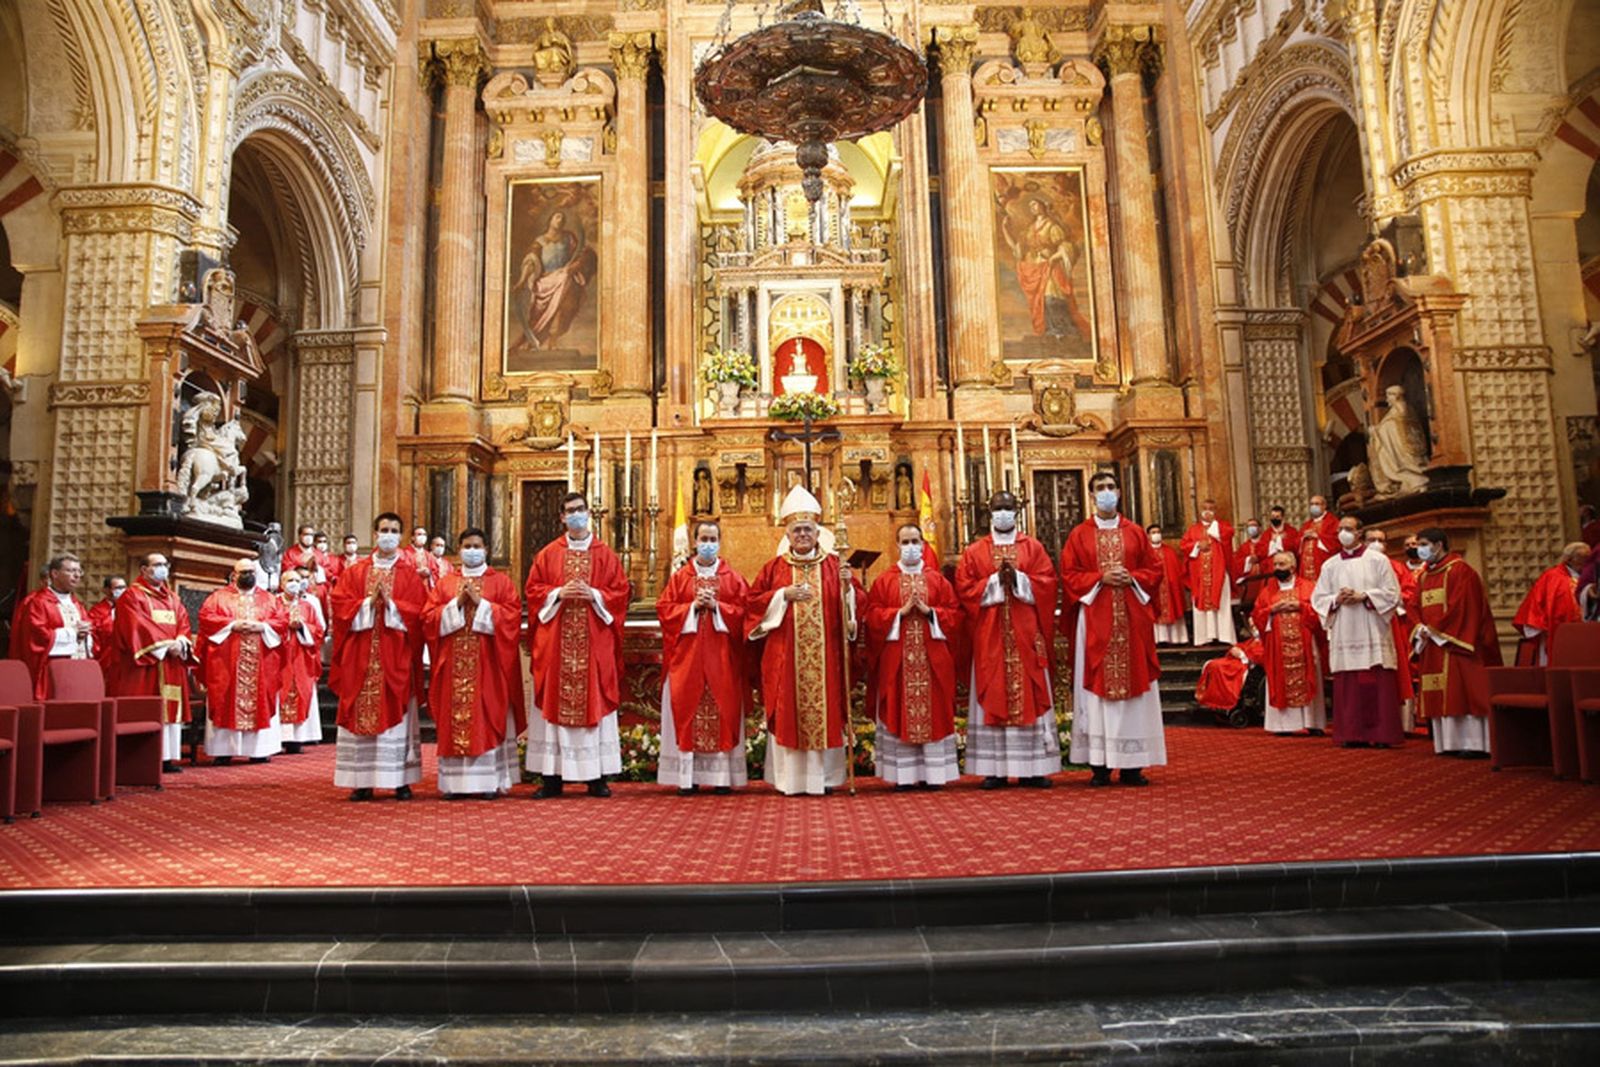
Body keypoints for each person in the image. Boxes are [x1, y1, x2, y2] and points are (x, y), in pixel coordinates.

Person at [747, 486, 862, 796]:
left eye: (807, 529)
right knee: (789, 712)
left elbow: (855, 610)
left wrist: (848, 589)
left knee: (824, 709)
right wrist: (782, 595)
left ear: (817, 532)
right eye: (796, 529)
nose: (802, 535)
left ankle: (825, 779)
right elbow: (753, 604)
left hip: (826, 659)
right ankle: (790, 781)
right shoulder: (775, 568)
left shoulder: (835, 565)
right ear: (787, 533)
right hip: (786, 659)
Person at [1060, 471, 1165, 786]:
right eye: (1100, 488)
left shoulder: (1134, 533)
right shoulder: (1079, 535)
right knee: (1095, 689)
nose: (1106, 492)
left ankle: (1133, 764)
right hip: (1095, 620)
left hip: (1131, 619)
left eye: (1110, 487)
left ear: (1119, 491)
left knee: (1135, 688)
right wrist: (1099, 579)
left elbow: (1154, 569)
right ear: (1091, 495)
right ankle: (1100, 764)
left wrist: (1132, 577)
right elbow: (1069, 573)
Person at [525, 492, 631, 798]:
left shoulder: (605, 555)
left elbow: (620, 592)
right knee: (554, 703)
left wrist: (595, 595)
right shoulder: (547, 555)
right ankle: (551, 777)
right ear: (562, 517)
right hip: (557, 645)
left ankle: (596, 776)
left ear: (589, 513)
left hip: (593, 644)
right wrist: (557, 593)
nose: (577, 515)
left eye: (581, 509)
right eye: (570, 511)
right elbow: (533, 590)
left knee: (594, 702)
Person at [955, 489, 1060, 788]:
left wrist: (1020, 580)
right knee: (993, 689)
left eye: (1008, 508)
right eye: (998, 508)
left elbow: (1048, 583)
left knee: (1030, 689)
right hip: (990, 635)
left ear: (1017, 512)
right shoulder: (975, 551)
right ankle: (995, 769)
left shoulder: (1033, 548)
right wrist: (993, 583)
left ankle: (1034, 768)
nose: (1003, 513)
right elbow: (964, 588)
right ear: (990, 513)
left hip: (1026, 634)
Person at [329, 513, 427, 800]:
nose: (389, 534)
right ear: (374, 534)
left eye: (395, 530)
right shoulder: (356, 572)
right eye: (384, 529)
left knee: (399, 717)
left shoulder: (409, 574)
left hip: (395, 656)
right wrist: (368, 604)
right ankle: (361, 782)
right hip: (360, 657)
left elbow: (419, 613)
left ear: (401, 536)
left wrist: (393, 606)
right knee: (360, 709)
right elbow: (339, 606)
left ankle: (399, 780)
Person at [424, 528, 526, 800]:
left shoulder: (501, 582)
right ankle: (454, 785)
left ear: (487, 549)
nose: (471, 550)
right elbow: (429, 619)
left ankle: (488, 782)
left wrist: (481, 604)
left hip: (487, 665)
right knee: (453, 719)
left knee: (487, 715)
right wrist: (457, 603)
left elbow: (512, 619)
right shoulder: (445, 583)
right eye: (467, 546)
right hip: (453, 665)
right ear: (459, 550)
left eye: (476, 546)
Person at [656, 520, 750, 795]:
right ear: (695, 542)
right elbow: (665, 610)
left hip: (722, 660)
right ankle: (689, 778)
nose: (708, 544)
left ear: (720, 542)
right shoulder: (680, 578)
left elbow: (747, 614)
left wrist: (718, 608)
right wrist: (693, 607)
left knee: (723, 712)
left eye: (713, 539)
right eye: (703, 539)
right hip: (687, 660)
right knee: (689, 710)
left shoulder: (732, 578)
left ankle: (721, 778)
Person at [865, 523, 961, 790]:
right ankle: (903, 776)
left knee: (935, 711)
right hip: (899, 662)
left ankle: (934, 775)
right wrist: (898, 613)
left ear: (922, 544)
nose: (910, 547)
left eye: (914, 541)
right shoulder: (884, 580)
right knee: (899, 708)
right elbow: (872, 617)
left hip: (931, 661)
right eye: (905, 542)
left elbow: (955, 615)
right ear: (897, 545)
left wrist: (932, 613)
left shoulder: (937, 580)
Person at [1311, 514, 1404, 748]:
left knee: (1377, 678)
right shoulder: (1330, 565)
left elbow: (1393, 594)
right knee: (1348, 683)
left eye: (1348, 528)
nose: (1343, 533)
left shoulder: (1378, 560)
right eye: (1340, 528)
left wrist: (1365, 596)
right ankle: (1351, 734)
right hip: (1345, 627)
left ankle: (1382, 734)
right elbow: (1318, 598)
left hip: (1372, 625)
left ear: (1360, 533)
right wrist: (1336, 599)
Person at [1414, 528, 1503, 757]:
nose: (1419, 549)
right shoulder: (1424, 575)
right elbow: (1415, 606)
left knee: (1464, 690)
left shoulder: (1461, 571)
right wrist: (1420, 628)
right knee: (1443, 690)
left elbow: (1464, 607)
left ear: (1439, 545)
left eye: (1423, 544)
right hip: (1432, 641)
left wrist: (1436, 630)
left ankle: (1474, 743)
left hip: (1458, 642)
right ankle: (1448, 743)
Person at [112, 552, 197, 773]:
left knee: (170, 709)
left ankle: (167, 757)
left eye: (165, 564)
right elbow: (136, 625)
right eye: (157, 564)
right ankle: (144, 757)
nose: (163, 568)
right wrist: (167, 645)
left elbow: (183, 622)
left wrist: (180, 641)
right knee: (149, 706)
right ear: (144, 570)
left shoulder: (172, 597)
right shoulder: (132, 596)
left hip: (172, 662)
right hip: (147, 664)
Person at [198, 559, 286, 765]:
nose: (248, 575)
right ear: (234, 574)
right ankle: (223, 751)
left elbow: (281, 621)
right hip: (227, 662)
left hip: (262, 661)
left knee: (261, 697)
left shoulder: (269, 599)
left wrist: (262, 627)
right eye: (243, 571)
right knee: (224, 697)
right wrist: (233, 624)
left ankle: (259, 750)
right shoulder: (218, 598)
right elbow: (206, 618)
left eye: (251, 571)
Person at [1251, 550, 1326, 736]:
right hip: (1278, 644)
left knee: (1310, 677)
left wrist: (1300, 606)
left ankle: (1312, 722)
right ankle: (1283, 725)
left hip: (1305, 642)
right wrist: (1272, 609)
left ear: (1292, 567)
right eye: (1275, 565)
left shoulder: (1309, 587)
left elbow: (1320, 613)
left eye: (1282, 565)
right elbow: (1257, 615)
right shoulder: (1267, 591)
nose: (1277, 568)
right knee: (1280, 678)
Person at [8, 553, 91, 699]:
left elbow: (88, 635)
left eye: (79, 571)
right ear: (55, 573)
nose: (77, 575)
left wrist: (86, 634)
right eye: (71, 571)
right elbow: (37, 636)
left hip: (75, 668)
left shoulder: (76, 603)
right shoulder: (38, 602)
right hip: (50, 671)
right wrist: (73, 633)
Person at [1512, 543, 1587, 666]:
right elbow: (1535, 604)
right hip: (1557, 633)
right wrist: (1540, 624)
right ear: (1569, 559)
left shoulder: (1589, 578)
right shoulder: (1552, 577)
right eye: (1583, 558)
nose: (1587, 562)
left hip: (1585, 633)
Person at [277, 565, 325, 754]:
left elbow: (319, 630)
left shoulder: (307, 606)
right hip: (281, 657)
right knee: (280, 692)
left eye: (297, 581)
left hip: (302, 657)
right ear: (282, 584)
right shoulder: (274, 603)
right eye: (290, 581)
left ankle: (297, 738)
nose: (294, 584)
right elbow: (269, 623)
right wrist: (285, 626)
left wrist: (303, 627)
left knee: (301, 691)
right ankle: (280, 737)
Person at [1180, 499, 1236, 646]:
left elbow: (1229, 534)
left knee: (1221, 603)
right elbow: (1184, 545)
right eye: (1205, 508)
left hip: (1219, 572)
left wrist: (1214, 525)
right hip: (1199, 574)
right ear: (1200, 511)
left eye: (1211, 508)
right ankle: (1204, 637)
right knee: (1201, 603)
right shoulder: (1193, 530)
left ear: (1215, 511)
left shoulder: (1222, 526)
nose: (1208, 511)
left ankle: (1224, 636)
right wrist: (1198, 544)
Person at [1195, 626, 1263, 714]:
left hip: (1247, 666)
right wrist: (1236, 650)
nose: (1253, 629)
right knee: (1212, 665)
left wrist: (1242, 655)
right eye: (1251, 626)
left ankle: (1221, 700)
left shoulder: (1265, 641)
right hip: (1238, 662)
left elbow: (1259, 656)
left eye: (1255, 626)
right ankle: (1213, 698)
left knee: (1218, 667)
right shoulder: (1253, 640)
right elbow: (1243, 646)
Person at [1147, 523, 1188, 646]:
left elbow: (1177, 571)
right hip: (1153, 589)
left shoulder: (1169, 551)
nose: (1156, 535)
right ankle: (1157, 639)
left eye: (1158, 532)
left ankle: (1175, 638)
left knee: (1172, 607)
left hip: (1169, 588)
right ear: (1148, 536)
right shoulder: (1145, 552)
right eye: (1153, 533)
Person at [87, 574, 126, 676]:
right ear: (106, 590)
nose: (122, 590)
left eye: (124, 587)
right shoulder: (96, 612)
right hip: (106, 659)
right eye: (118, 588)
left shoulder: (129, 609)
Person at [1298, 495, 1339, 583]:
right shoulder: (1307, 525)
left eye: (1317, 504)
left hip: (1322, 562)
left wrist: (1318, 536)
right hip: (1306, 566)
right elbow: (1297, 544)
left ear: (1324, 506)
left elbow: (1336, 541)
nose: (1314, 507)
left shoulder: (1332, 521)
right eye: (1312, 504)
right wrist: (1303, 538)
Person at [1232, 517, 1266, 614]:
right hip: (1250, 580)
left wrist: (1259, 559)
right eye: (1249, 526)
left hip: (1264, 578)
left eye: (1253, 526)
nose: (1251, 528)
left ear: (1260, 528)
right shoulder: (1244, 547)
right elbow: (1237, 562)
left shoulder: (1266, 542)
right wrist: (1247, 560)